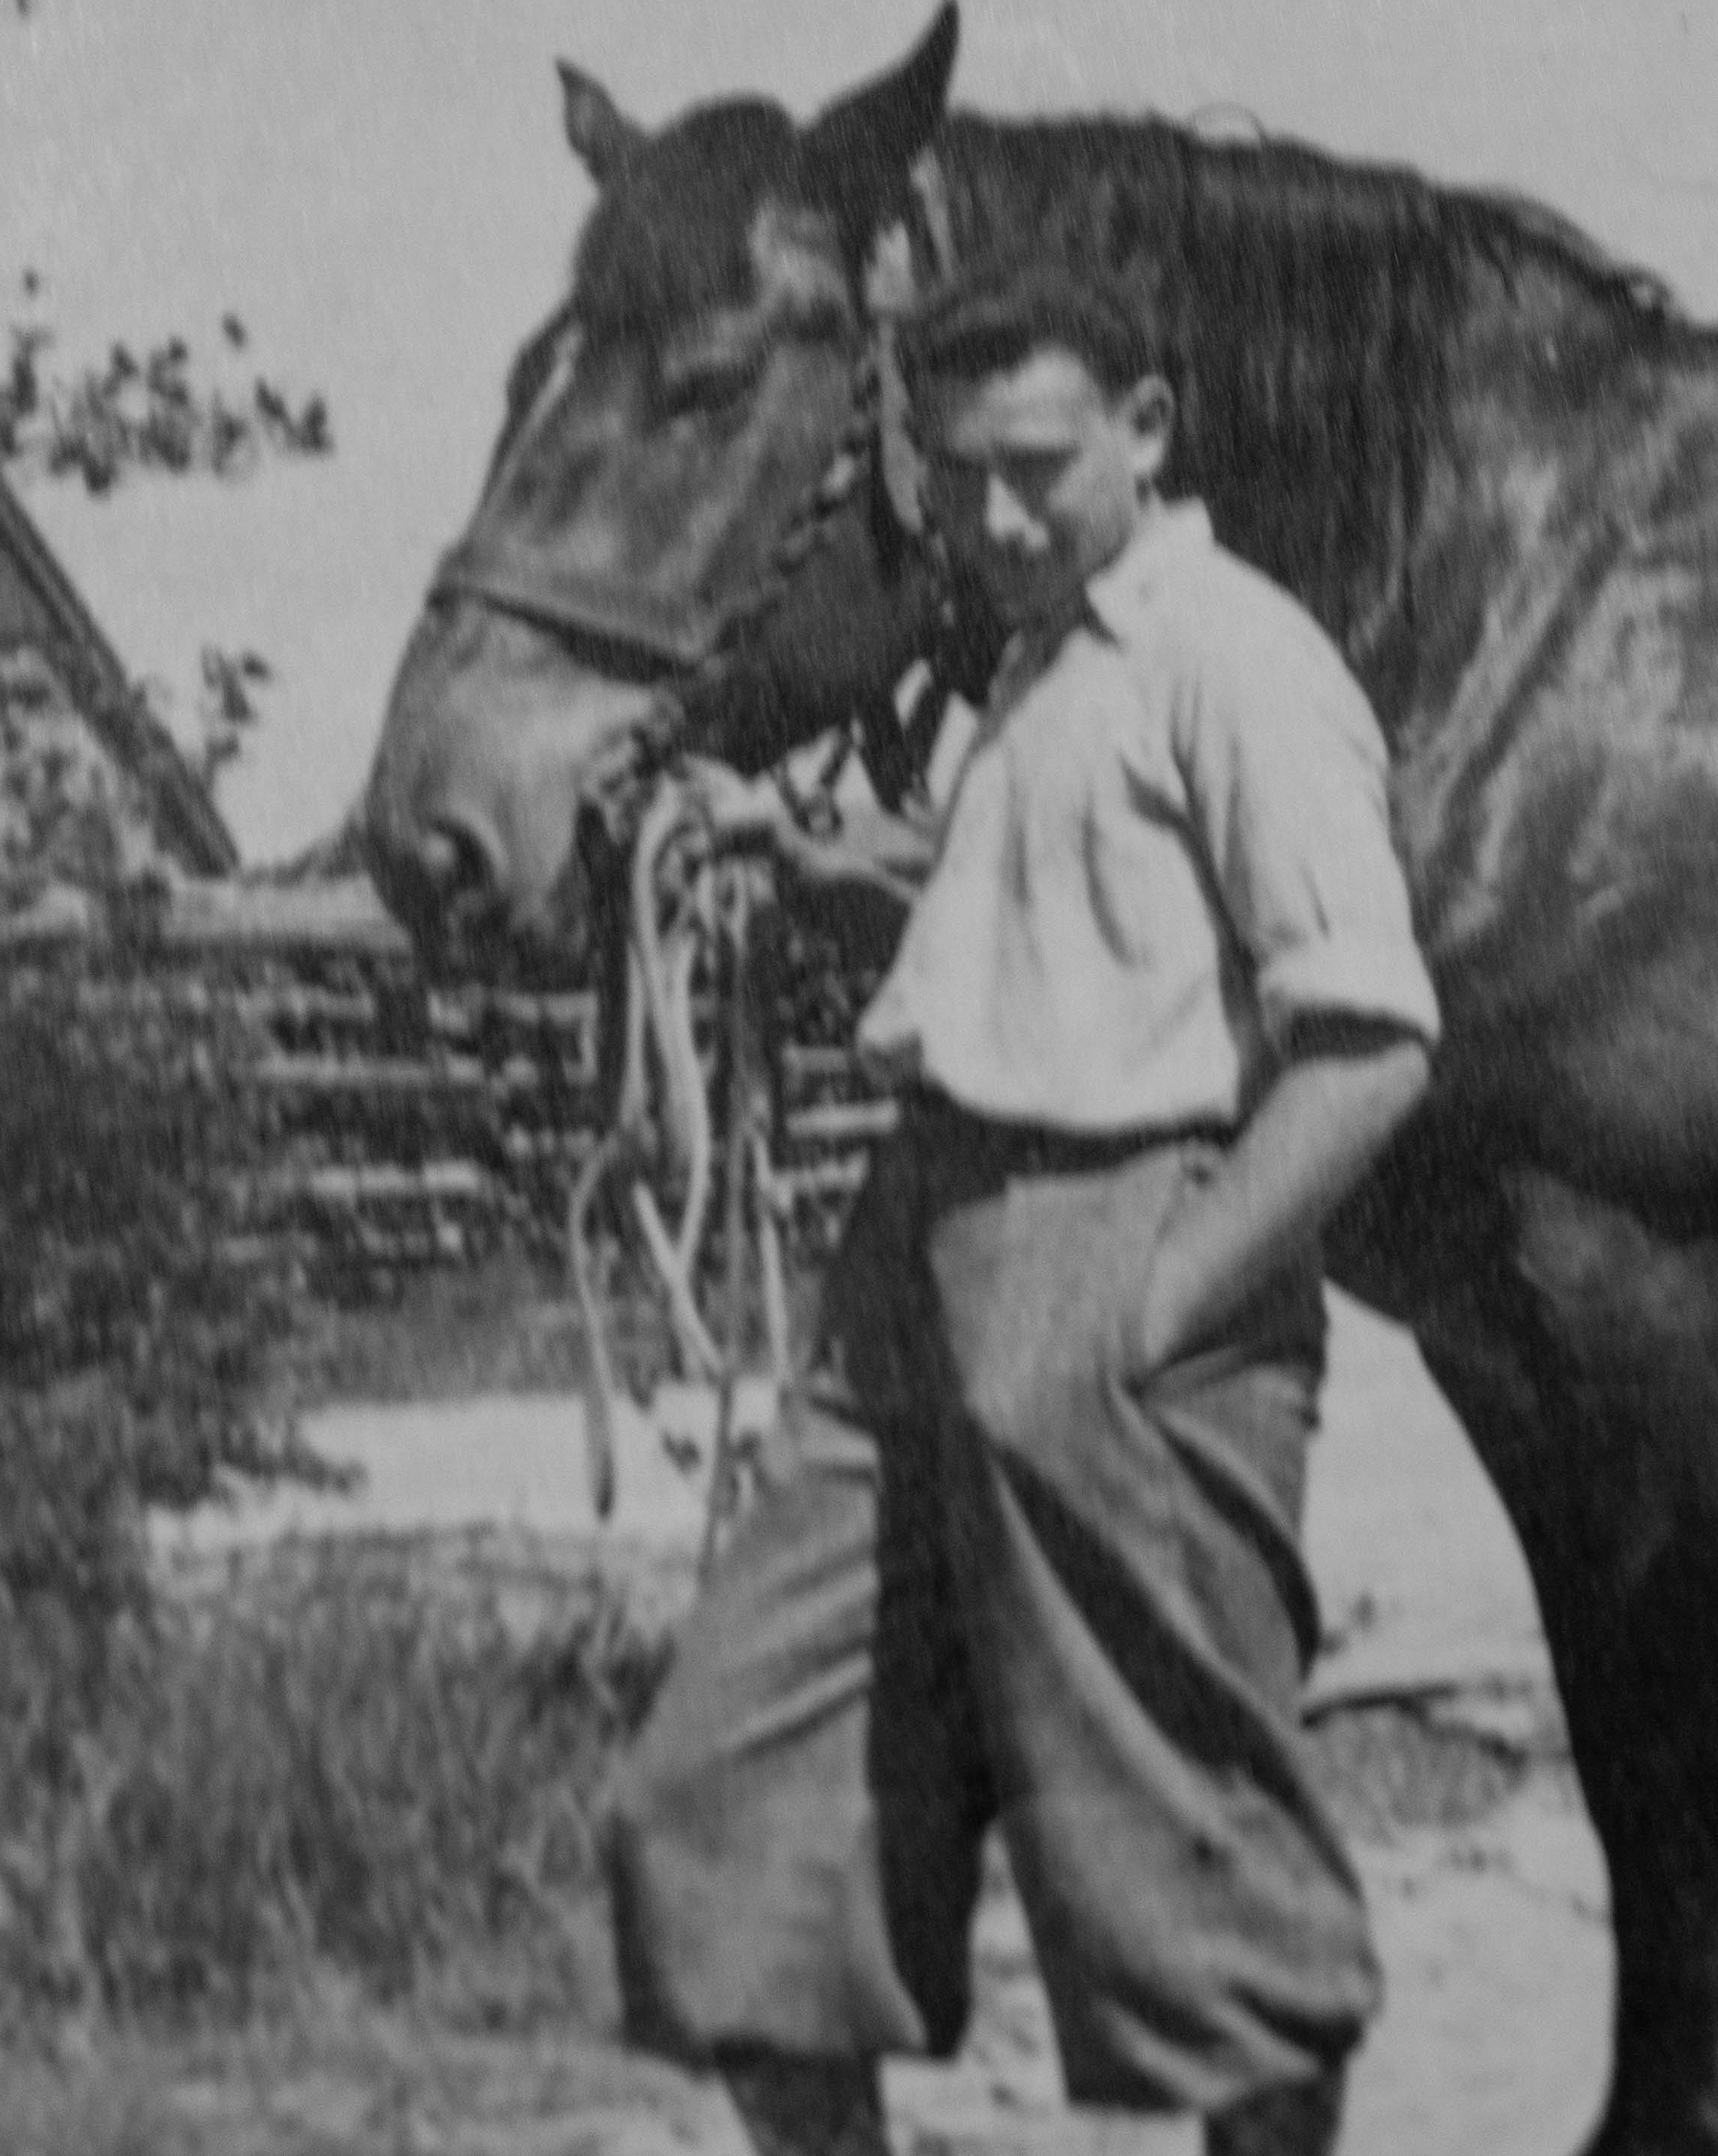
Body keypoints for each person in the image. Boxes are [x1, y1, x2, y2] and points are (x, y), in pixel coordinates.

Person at [606, 263, 1440, 2156]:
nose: (990, 518)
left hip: (1126, 1239)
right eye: (955, 472)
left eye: (1036, 467)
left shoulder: (1237, 658)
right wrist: (813, 853)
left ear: (1147, 430)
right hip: (914, 1250)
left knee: (1189, 1876)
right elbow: (1059, 910)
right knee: (728, 1806)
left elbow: (1371, 1041)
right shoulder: (1038, 657)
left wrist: (1147, 1310)